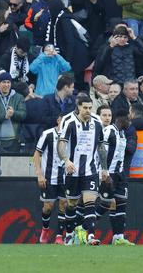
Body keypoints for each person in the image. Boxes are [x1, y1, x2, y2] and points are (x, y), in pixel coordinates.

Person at [57, 93, 108, 246]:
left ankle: (90, 236)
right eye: (85, 108)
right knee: (71, 204)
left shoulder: (97, 122)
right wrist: (66, 160)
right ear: (78, 107)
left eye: (90, 108)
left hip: (90, 169)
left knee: (90, 201)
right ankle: (70, 233)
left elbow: (100, 146)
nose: (87, 110)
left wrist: (104, 168)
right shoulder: (68, 120)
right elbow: (61, 144)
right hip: (72, 170)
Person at [94, 110, 135, 245]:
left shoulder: (122, 133)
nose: (130, 123)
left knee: (121, 203)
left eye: (109, 115)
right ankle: (85, 229)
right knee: (106, 203)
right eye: (128, 120)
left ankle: (118, 237)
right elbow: (102, 151)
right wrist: (104, 171)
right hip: (108, 173)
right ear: (122, 120)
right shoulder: (109, 131)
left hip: (120, 174)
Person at [34, 114, 67, 245]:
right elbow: (37, 154)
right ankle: (45, 229)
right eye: (63, 120)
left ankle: (59, 235)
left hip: (65, 176)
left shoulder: (71, 134)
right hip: (49, 176)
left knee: (63, 204)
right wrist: (39, 174)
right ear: (58, 120)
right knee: (48, 206)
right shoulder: (48, 134)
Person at [0, 72, 26, 153]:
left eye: (8, 82)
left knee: (11, 164)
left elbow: (23, 114)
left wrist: (14, 113)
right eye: (4, 82)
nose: (6, 85)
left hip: (14, 140)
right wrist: (4, 116)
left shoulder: (19, 97)